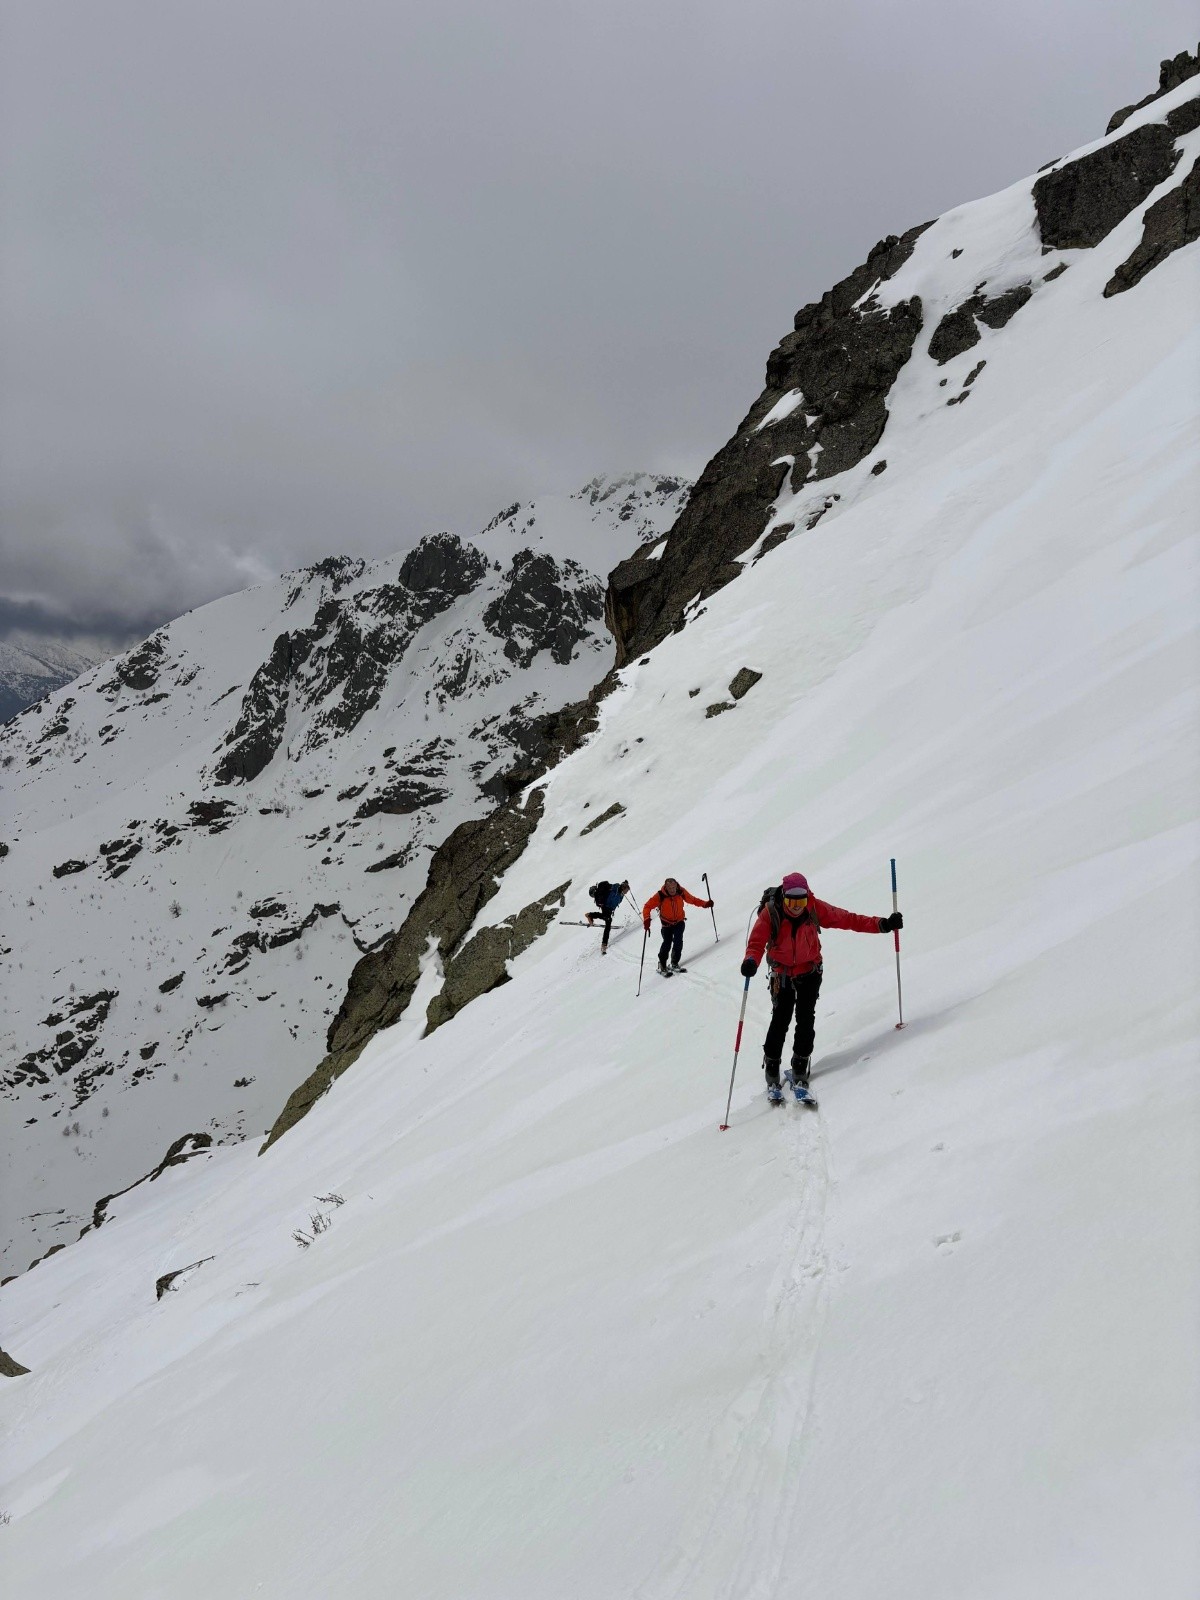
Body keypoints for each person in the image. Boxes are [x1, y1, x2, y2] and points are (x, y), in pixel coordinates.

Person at [740, 872, 902, 1100]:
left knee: (806, 1019)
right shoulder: (771, 914)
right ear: (784, 897)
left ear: (807, 897)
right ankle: (772, 1068)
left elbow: (848, 919)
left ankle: (800, 1065)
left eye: (801, 901)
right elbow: (756, 942)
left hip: (810, 972)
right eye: (791, 901)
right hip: (782, 975)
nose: (796, 907)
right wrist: (750, 961)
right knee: (781, 1019)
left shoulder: (814, 909)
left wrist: (882, 925)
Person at [643, 876, 713, 975]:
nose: (672, 890)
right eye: (670, 888)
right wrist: (646, 919)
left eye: (673, 887)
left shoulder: (681, 891)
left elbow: (692, 900)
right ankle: (662, 964)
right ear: (666, 887)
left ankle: (674, 962)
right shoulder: (660, 895)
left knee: (678, 941)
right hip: (666, 924)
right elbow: (647, 906)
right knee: (667, 943)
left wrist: (705, 904)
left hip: (679, 921)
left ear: (676, 886)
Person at [586, 879, 631, 954]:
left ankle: (590, 915)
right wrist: (623, 885)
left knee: (607, 920)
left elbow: (616, 895)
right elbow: (615, 889)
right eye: (626, 890)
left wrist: (624, 885)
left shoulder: (619, 891)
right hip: (607, 906)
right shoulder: (616, 888)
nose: (627, 892)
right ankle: (604, 945)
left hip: (609, 908)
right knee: (608, 922)